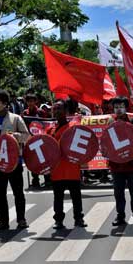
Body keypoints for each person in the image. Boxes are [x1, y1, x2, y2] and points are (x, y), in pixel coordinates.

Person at [0, 90, 31, 231]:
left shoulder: (16, 119)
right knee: (0, 195)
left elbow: (27, 136)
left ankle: (21, 219)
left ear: (5, 104)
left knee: (18, 193)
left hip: (14, 163)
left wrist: (14, 136)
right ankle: (3, 221)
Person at [108, 97, 133, 226]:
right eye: (116, 107)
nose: (118, 109)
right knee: (118, 193)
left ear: (126, 108)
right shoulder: (110, 123)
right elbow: (106, 142)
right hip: (116, 166)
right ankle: (120, 216)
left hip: (132, 165)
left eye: (121, 107)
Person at [48, 99, 86, 230]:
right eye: (55, 109)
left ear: (66, 111)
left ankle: (79, 219)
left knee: (76, 196)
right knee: (58, 198)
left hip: (72, 169)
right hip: (57, 170)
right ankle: (58, 220)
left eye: (59, 108)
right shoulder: (49, 129)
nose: (57, 111)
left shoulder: (74, 128)